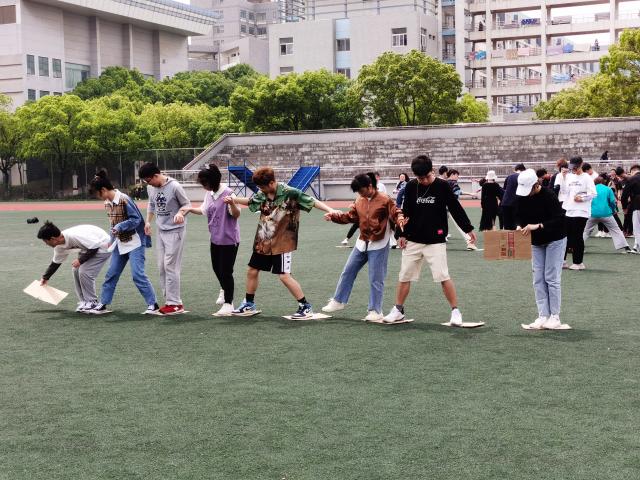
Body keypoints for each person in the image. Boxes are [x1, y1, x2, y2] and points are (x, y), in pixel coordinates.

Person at [225, 167, 338, 318]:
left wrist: (330, 210)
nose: (261, 190)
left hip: (283, 242)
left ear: (272, 183)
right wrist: (233, 199)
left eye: (263, 187)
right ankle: (249, 304)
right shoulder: (262, 193)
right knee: (252, 270)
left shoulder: (290, 192)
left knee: (284, 275)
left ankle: (305, 306)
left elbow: (312, 201)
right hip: (263, 241)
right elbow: (251, 201)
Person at [383, 155, 477, 325]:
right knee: (404, 276)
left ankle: (455, 311)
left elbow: (455, 207)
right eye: (420, 178)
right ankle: (398, 310)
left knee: (443, 276)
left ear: (432, 171)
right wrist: (401, 234)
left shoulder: (443, 186)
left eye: (427, 177)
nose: (424, 181)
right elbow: (405, 212)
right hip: (413, 239)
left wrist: (468, 228)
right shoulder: (411, 186)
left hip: (435, 240)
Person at [322, 173, 405, 320]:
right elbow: (351, 217)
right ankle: (338, 301)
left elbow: (396, 212)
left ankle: (375, 311)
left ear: (370, 186)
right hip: (361, 243)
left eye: (362, 190)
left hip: (379, 243)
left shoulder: (385, 199)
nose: (360, 194)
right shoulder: (359, 200)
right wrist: (334, 217)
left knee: (376, 279)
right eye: (358, 192)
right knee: (348, 271)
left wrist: (400, 220)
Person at [87, 170, 159, 315]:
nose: (98, 197)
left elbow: (136, 220)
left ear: (103, 190)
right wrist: (111, 239)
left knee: (138, 275)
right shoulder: (107, 203)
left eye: (97, 194)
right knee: (111, 274)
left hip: (135, 242)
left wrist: (120, 227)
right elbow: (112, 223)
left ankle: (153, 304)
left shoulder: (124, 199)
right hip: (119, 243)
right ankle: (103, 303)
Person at [180, 164, 241, 315]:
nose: (203, 186)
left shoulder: (229, 193)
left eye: (204, 183)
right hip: (215, 238)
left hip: (229, 239)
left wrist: (232, 203)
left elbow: (236, 214)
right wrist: (189, 209)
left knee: (226, 271)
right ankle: (225, 289)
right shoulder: (210, 194)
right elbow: (204, 210)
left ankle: (229, 303)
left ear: (212, 181)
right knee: (216, 268)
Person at [514, 169, 567, 330]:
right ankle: (543, 315)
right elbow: (519, 215)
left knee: (551, 278)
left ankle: (555, 316)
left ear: (536, 185)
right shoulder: (522, 197)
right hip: (536, 241)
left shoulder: (549, 195)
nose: (526, 193)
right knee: (538, 278)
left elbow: (559, 219)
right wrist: (519, 225)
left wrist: (538, 226)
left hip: (555, 239)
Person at [139, 163, 191, 315]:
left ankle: (175, 304)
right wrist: (148, 222)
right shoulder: (151, 188)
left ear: (156, 175)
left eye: (149, 180)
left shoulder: (175, 186)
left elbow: (187, 204)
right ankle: (169, 301)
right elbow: (151, 204)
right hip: (161, 231)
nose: (148, 184)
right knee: (161, 266)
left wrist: (181, 213)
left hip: (175, 231)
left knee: (170, 266)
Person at [37, 221, 111, 312]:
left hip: (103, 245)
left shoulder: (74, 236)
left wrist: (80, 260)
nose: (45, 244)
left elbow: (95, 246)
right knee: (76, 269)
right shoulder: (59, 247)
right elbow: (55, 263)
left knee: (85, 272)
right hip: (88, 247)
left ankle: (92, 302)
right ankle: (84, 301)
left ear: (52, 239)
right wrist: (45, 277)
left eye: (45, 241)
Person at [561, 156, 597, 270]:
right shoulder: (569, 177)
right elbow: (565, 192)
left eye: (576, 167)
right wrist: (563, 177)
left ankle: (578, 263)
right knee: (565, 236)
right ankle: (562, 261)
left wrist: (582, 198)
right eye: (572, 167)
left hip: (581, 211)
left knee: (577, 236)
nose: (574, 169)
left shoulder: (587, 177)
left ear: (581, 165)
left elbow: (593, 193)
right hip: (569, 210)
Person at [583, 176, 633, 253]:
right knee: (616, 229)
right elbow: (612, 201)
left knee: (586, 230)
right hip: (606, 214)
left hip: (592, 214)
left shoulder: (590, 189)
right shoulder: (608, 189)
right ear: (603, 182)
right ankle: (626, 247)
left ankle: (577, 246)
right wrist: (613, 210)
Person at [340, 173, 392, 246]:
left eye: (377, 177)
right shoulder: (361, 197)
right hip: (364, 232)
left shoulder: (382, 190)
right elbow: (351, 215)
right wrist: (334, 216)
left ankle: (394, 241)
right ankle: (347, 238)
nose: (360, 194)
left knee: (388, 223)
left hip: (378, 237)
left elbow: (393, 211)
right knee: (356, 224)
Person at [446, 169, 478, 251]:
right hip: (451, 207)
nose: (458, 177)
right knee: (460, 224)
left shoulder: (443, 182)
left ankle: (440, 240)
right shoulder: (453, 182)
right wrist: (470, 193)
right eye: (457, 175)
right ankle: (470, 242)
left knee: (440, 225)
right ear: (452, 174)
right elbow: (457, 192)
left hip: (442, 207)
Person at [621, 164, 640, 252]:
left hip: (637, 204)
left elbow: (624, 195)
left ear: (632, 171)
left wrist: (624, 207)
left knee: (637, 227)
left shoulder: (632, 179)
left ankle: (638, 247)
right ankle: (636, 247)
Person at [501, 163, 526, 230]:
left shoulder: (509, 177)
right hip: (516, 203)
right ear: (524, 170)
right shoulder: (523, 177)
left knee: (507, 225)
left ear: (516, 170)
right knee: (517, 225)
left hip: (505, 202)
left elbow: (504, 189)